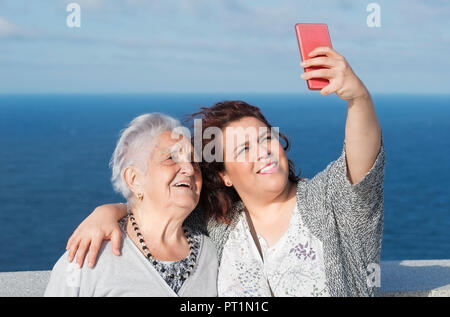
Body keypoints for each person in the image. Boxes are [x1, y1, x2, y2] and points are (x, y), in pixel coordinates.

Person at [65, 47, 385, 296]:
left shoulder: (328, 202)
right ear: (224, 175)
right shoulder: (219, 225)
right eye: (244, 149)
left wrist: (358, 97)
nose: (263, 152)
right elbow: (159, 210)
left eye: (265, 138)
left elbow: (362, 157)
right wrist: (109, 211)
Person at [45, 113, 218, 297]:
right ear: (134, 179)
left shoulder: (211, 254)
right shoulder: (88, 257)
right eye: (172, 158)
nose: (190, 169)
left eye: (194, 161)